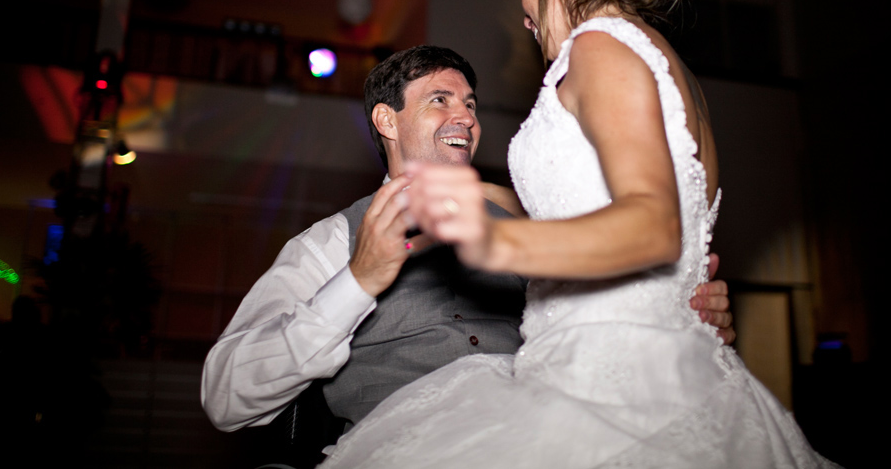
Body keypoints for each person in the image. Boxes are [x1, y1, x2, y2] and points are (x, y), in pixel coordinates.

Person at [319, 0, 836, 468]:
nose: (526, 20)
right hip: (667, 368)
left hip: (603, 382)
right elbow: (600, 199)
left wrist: (494, 239)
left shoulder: (598, 47)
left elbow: (654, 223)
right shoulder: (671, 70)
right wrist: (484, 194)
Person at [201, 46, 734, 447]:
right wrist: (358, 280)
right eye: (440, 100)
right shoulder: (331, 241)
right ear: (387, 120)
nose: (467, 118)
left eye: (470, 104)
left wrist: (683, 325)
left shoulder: (526, 228)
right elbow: (225, 395)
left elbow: (595, 338)